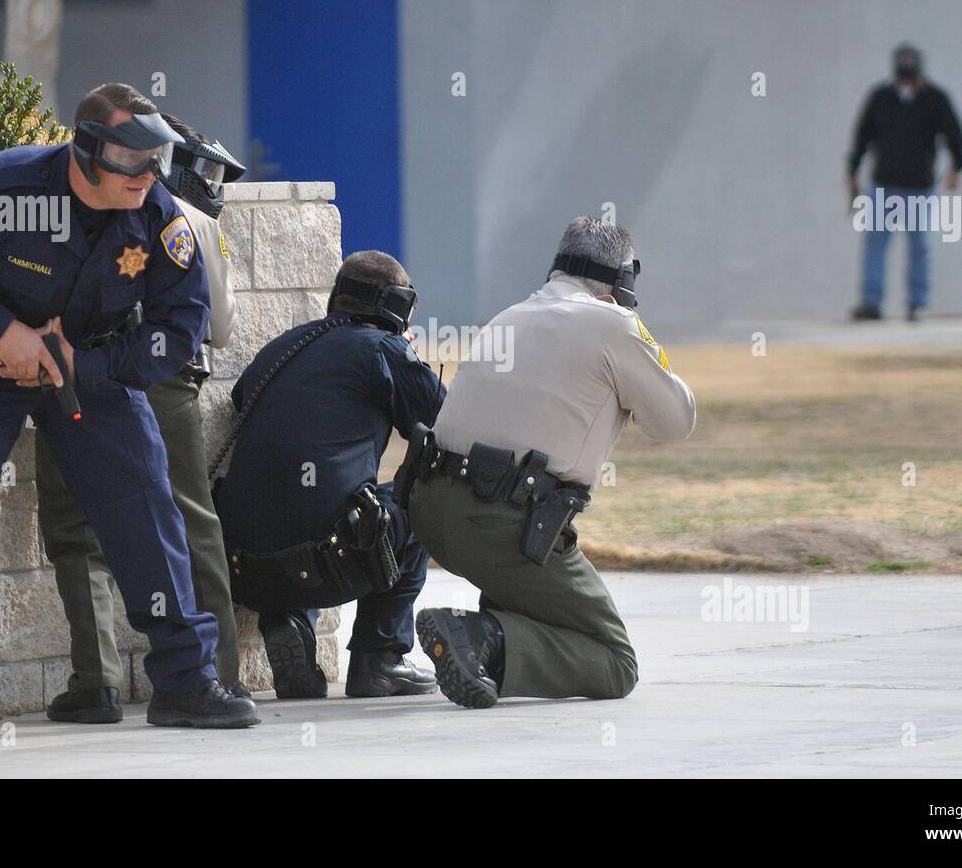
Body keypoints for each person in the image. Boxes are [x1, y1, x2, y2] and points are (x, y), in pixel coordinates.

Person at [0, 82, 258, 741]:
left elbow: (181, 322)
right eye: (131, 158)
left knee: (146, 499)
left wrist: (81, 366)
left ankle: (184, 678)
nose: (148, 174)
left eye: (156, 159)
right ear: (86, 151)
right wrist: (4, 332)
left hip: (90, 365)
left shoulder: (159, 216)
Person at [404, 217, 695, 708]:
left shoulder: (509, 315)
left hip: (429, 512)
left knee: (528, 578)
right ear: (622, 281)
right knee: (615, 661)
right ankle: (479, 636)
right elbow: (676, 420)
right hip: (505, 527)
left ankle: (485, 640)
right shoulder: (615, 324)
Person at [36, 111, 249, 724]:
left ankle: (96, 680)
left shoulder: (74, 204)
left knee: (76, 527)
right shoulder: (195, 222)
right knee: (188, 518)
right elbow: (220, 327)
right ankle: (216, 675)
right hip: (162, 380)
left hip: (75, 376)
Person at [214, 251, 444, 698]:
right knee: (424, 496)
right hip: (331, 560)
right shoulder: (381, 347)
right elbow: (442, 420)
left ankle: (289, 619)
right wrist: (406, 355)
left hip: (244, 565)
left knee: (304, 497)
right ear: (398, 306)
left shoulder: (281, 348)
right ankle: (380, 659)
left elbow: (245, 399)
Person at [846, 43, 962, 322]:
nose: (908, 84)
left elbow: (954, 135)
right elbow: (861, 136)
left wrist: (956, 167)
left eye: (911, 78)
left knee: (920, 246)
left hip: (920, 187)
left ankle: (918, 303)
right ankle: (871, 302)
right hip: (883, 184)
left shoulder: (935, 99)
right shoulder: (881, 97)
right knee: (875, 244)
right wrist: (852, 173)